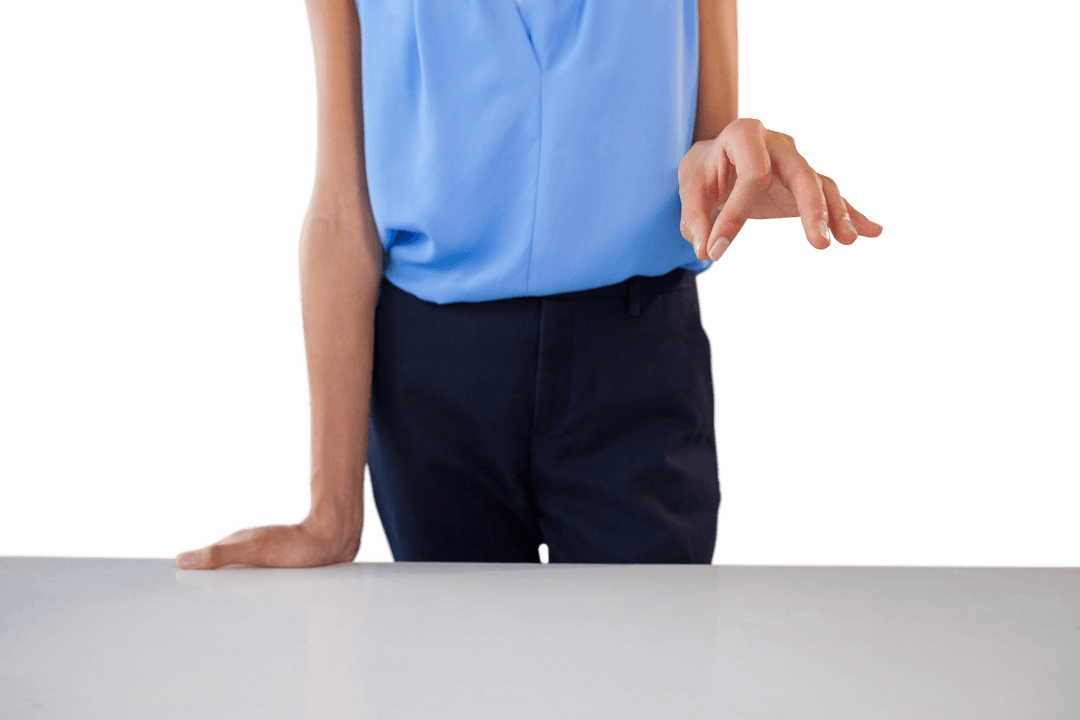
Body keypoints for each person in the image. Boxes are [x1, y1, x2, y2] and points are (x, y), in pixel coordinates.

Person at [175, 0, 882, 570]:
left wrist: (741, 163)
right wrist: (331, 515)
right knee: (451, 690)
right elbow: (339, 208)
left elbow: (710, 147)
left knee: (655, 678)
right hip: (430, 381)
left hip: (635, 366)